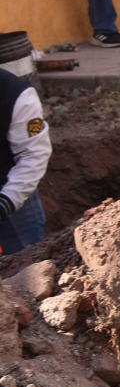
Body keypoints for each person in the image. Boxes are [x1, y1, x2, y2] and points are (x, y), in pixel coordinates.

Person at [0, 69, 50, 254]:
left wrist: (4, 203)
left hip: (10, 200)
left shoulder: (16, 94)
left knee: (24, 265)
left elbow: (33, 154)